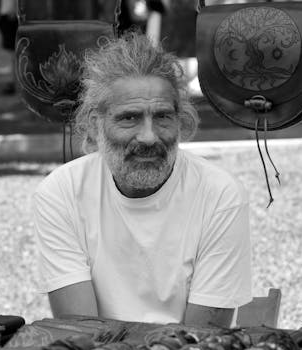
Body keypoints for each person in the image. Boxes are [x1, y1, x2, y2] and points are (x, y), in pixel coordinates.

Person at [31, 32, 251, 327]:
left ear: (180, 121)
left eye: (162, 117)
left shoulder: (219, 195)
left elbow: (199, 339)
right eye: (129, 118)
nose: (149, 137)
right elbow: (81, 331)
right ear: (96, 127)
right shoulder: (61, 193)